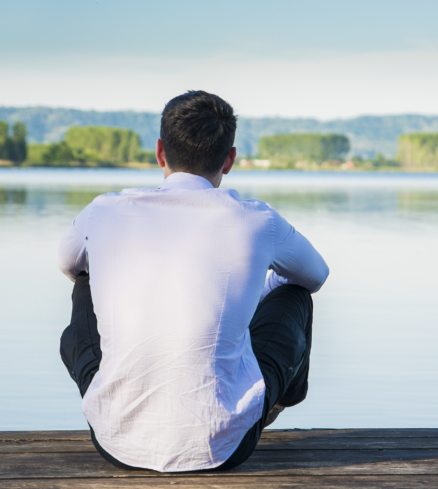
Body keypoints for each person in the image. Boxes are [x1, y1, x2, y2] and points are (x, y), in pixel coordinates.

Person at [57, 91, 329, 472]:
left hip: (115, 443)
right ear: (229, 159)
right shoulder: (258, 220)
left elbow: (68, 265)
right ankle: (273, 403)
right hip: (224, 449)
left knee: (84, 281)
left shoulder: (103, 210)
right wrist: (252, 293)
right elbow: (314, 277)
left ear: (159, 152)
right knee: (295, 295)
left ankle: (118, 400)